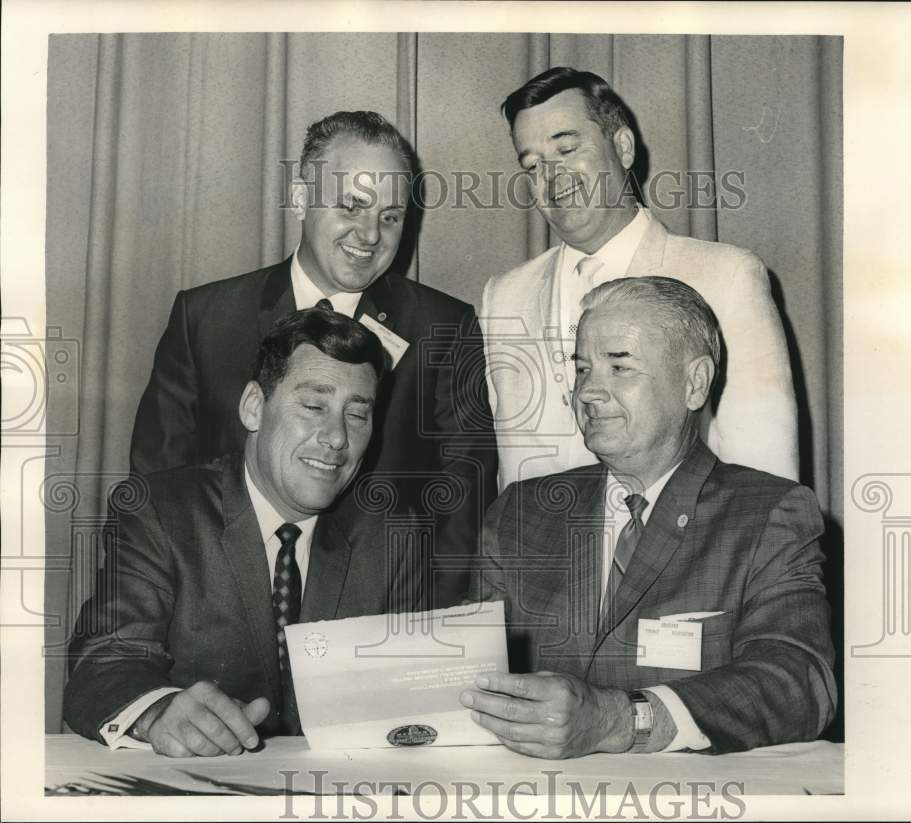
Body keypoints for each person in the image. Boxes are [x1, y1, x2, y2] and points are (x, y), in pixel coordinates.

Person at [130, 111, 497, 607]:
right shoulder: (207, 318)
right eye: (352, 206)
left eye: (390, 216)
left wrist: (430, 636)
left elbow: (465, 502)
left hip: (382, 619)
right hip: (220, 610)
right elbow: (157, 485)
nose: (370, 235)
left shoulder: (444, 327)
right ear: (301, 198)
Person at [463, 277, 835, 757]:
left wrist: (623, 719)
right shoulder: (520, 513)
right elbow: (469, 677)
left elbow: (797, 683)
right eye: (582, 369)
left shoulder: (768, 514)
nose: (589, 393)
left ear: (694, 383)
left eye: (620, 367)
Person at [65, 307, 428, 756]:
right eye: (314, 406)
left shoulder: (392, 534)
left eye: (357, 416)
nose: (337, 437)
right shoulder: (161, 510)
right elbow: (104, 661)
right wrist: (159, 713)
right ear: (254, 407)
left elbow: (408, 700)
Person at [482, 67, 797, 490]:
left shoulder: (726, 278)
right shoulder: (503, 296)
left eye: (568, 149)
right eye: (533, 164)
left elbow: (766, 483)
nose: (552, 178)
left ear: (623, 147)